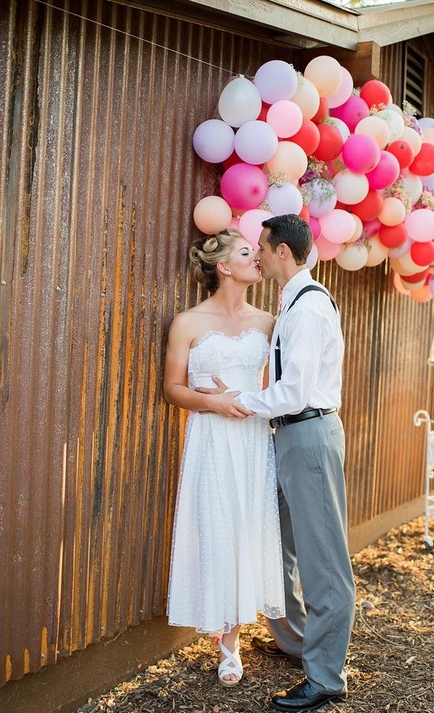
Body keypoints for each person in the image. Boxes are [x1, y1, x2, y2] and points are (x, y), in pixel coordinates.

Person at [197, 214, 356, 712]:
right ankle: (296, 642)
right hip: (287, 436)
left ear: (282, 251)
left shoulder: (308, 308)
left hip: (308, 433)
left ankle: (326, 677)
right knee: (282, 547)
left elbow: (295, 391)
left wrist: (240, 399)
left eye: (262, 247)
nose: (258, 255)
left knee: (324, 561)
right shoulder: (289, 303)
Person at [163, 229, 285, 687]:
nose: (258, 258)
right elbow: (171, 388)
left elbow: (278, 388)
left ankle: (233, 638)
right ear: (225, 267)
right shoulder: (188, 323)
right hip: (211, 437)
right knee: (215, 525)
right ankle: (222, 636)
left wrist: (251, 401)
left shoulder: (269, 322)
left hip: (253, 437)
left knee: (246, 526)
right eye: (247, 253)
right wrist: (213, 402)